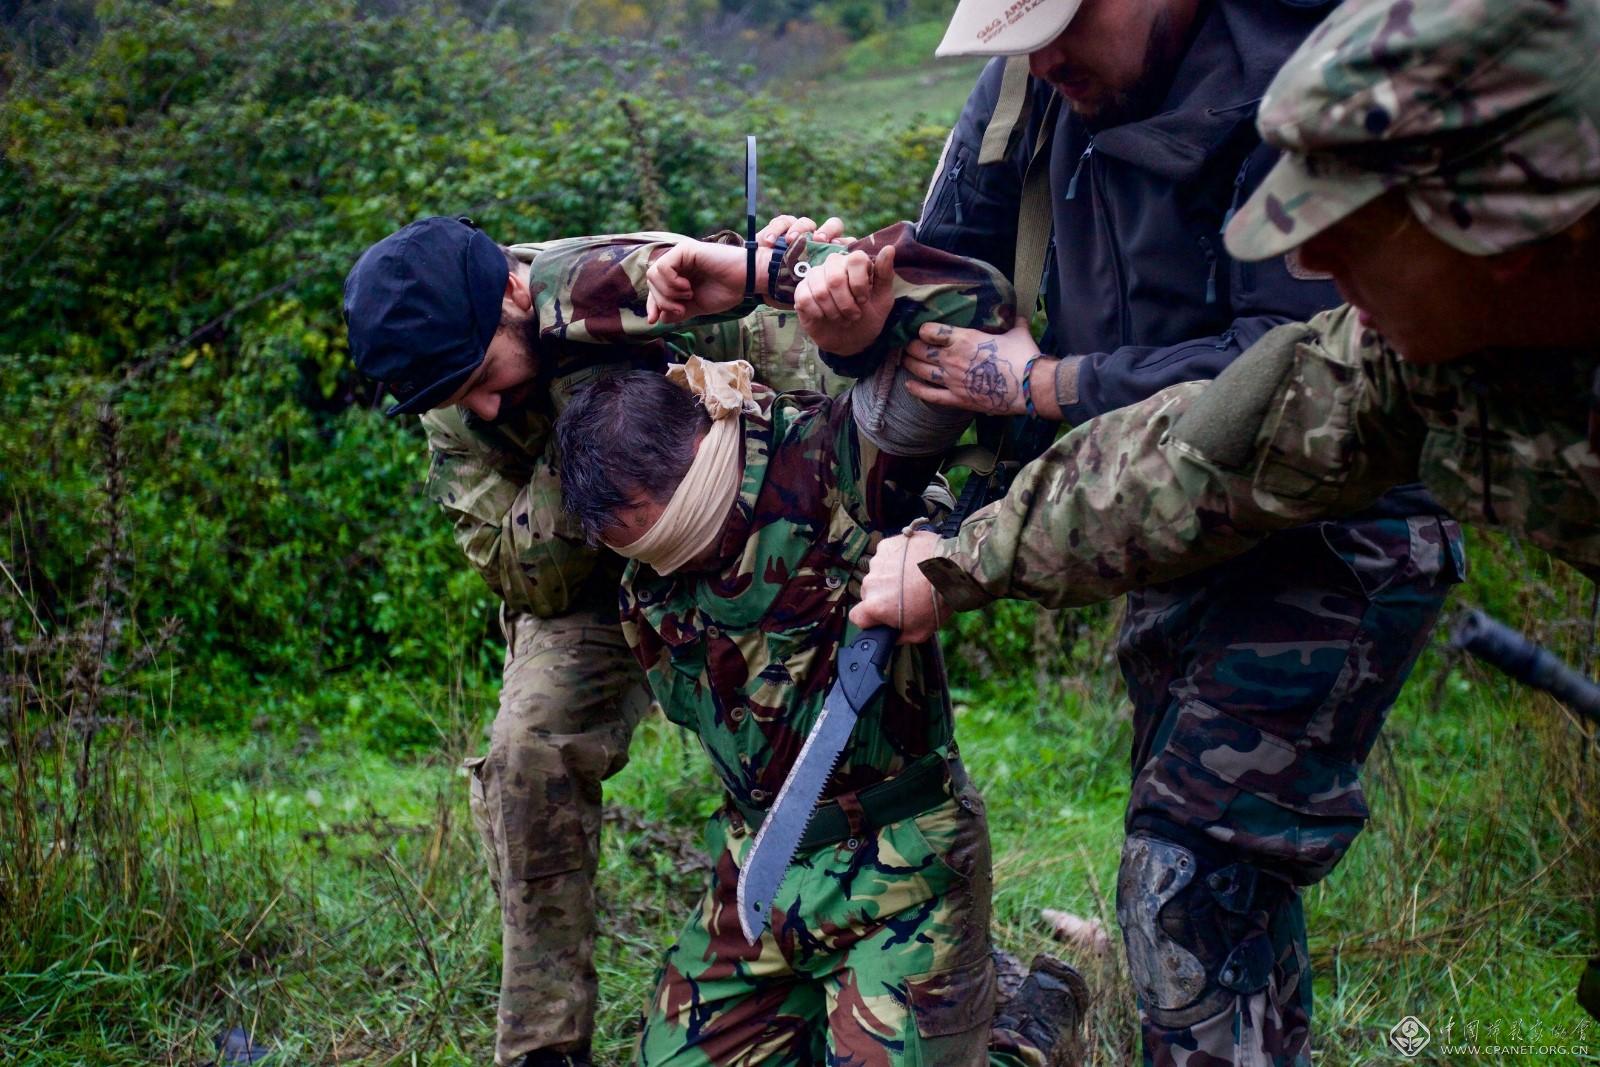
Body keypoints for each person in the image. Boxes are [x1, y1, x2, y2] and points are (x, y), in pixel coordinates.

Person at [852, 0, 1600, 1026]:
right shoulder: (1395, 358)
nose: (1306, 270)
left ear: (1497, 218)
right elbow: (1204, 453)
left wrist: (1043, 387)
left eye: (1344, 231)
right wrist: (961, 557)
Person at [339, 212, 925, 1067]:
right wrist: (594, 423)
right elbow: (523, 573)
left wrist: (772, 274)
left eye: (480, 375)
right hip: (589, 589)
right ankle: (545, 1046)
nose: (484, 407)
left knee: (827, 738)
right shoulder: (454, 387)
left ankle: (901, 948)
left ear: (512, 290)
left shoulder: (636, 286)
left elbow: (808, 385)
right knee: (525, 751)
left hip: (724, 532)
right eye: (452, 397)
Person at [553, 227, 1086, 1064]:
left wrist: (784, 277)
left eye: (696, 529)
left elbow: (980, 304)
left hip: (902, 860)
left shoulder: (837, 459)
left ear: (707, 437)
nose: (686, 561)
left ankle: (1032, 1024)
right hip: (762, 865)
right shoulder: (644, 584)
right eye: (657, 551)